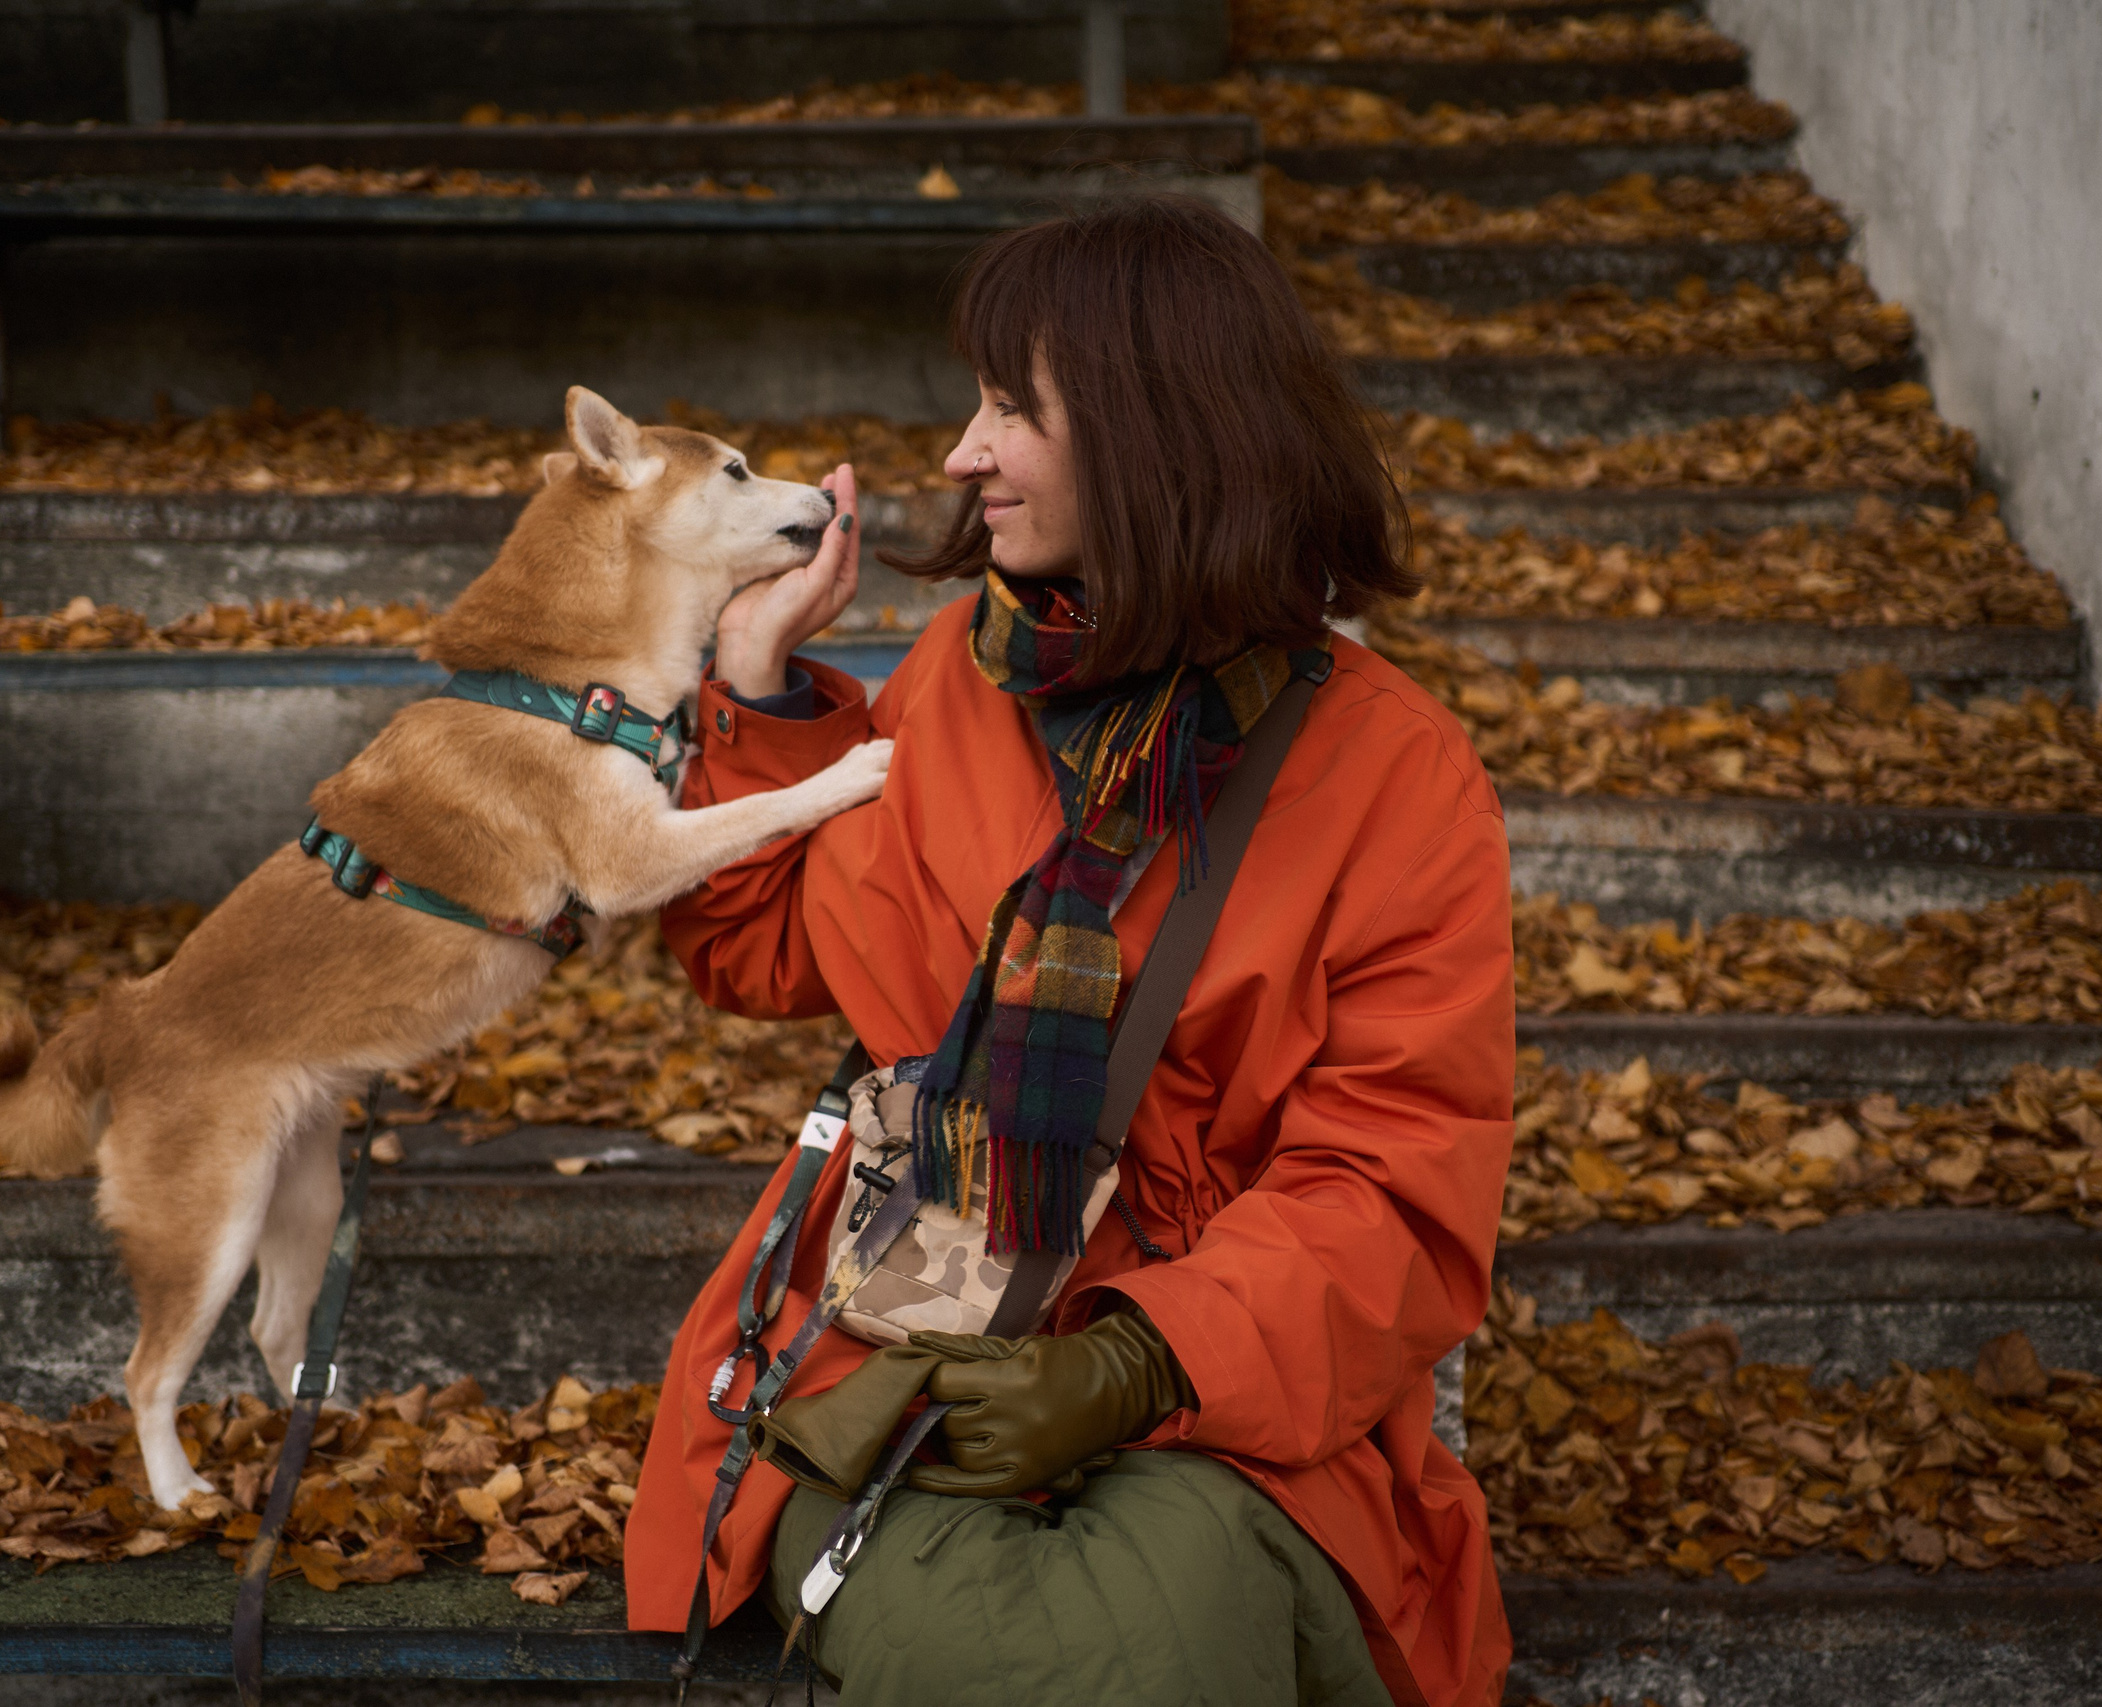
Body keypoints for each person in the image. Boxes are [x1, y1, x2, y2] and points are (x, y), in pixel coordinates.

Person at [622, 195, 1514, 1706]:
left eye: (1011, 409)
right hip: (902, 1369)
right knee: (1054, 1632)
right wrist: (760, 692)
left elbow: (1395, 1190)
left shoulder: (1396, 779)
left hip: (1237, 1411)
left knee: (1158, 1622)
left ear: (1163, 437)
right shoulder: (957, 685)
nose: (964, 454)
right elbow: (769, 953)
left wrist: (1135, 1365)